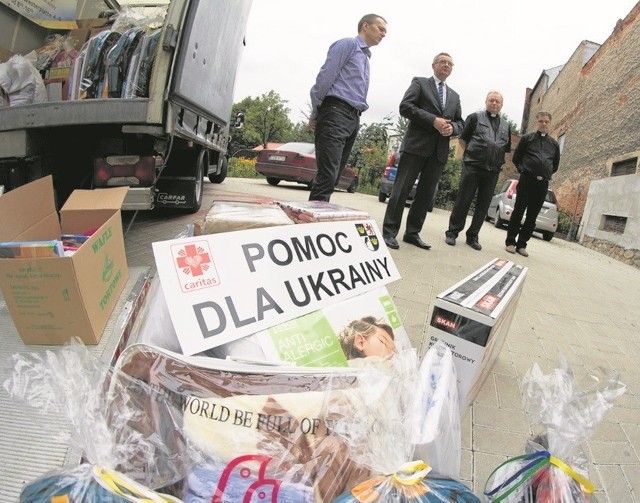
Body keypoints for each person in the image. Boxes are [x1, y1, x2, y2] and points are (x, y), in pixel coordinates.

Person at [382, 52, 464, 250]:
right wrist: (433, 120)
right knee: (401, 191)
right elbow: (405, 107)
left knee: (426, 195)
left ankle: (412, 233)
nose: (447, 66)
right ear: (433, 65)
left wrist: (452, 129)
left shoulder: (454, 96)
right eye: (443, 62)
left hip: (438, 152)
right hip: (415, 147)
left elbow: (460, 123)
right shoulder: (420, 83)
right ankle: (389, 232)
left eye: (450, 64)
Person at [308, 14, 388, 202]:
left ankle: (316, 215)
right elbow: (325, 78)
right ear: (366, 26)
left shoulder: (366, 58)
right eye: (380, 28)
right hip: (335, 112)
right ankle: (310, 223)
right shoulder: (348, 45)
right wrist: (316, 112)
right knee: (327, 176)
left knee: (334, 176)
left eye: (385, 31)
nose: (383, 34)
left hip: (352, 118)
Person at [445, 91, 512, 250]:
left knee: (483, 205)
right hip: (473, 167)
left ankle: (473, 236)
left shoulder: (505, 126)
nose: (494, 103)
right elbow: (462, 139)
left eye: (497, 101)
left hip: (492, 171)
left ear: (501, 105)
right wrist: (470, 155)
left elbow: (505, 148)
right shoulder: (475, 117)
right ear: (486, 102)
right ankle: (452, 233)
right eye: (491, 100)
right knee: (463, 200)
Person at [505, 111, 560, 257]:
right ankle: (511, 242)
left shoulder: (554, 144)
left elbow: (555, 165)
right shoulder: (527, 139)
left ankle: (522, 244)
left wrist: (544, 172)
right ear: (537, 122)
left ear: (550, 123)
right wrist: (524, 170)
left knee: (532, 216)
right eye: (541, 121)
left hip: (542, 184)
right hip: (526, 180)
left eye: (546, 122)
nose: (543, 124)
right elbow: (516, 157)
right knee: (518, 211)